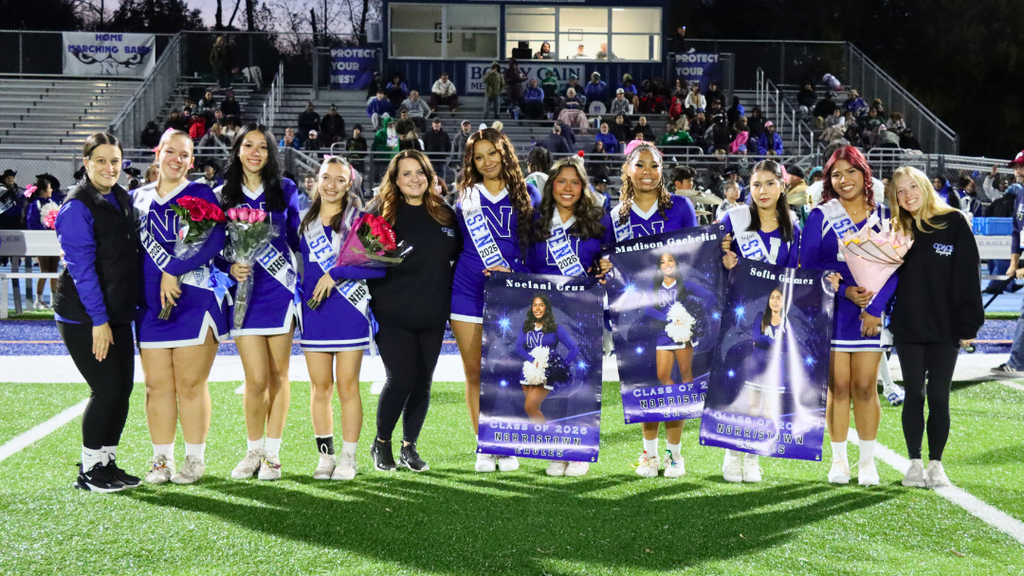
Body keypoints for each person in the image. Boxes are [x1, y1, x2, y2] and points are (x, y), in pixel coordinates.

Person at [132, 130, 228, 486]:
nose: (176, 159)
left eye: (184, 155)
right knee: (156, 386)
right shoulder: (135, 199)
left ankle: (194, 458)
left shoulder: (201, 193)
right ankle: (161, 459)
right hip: (151, 305)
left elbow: (216, 240)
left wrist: (173, 270)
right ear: (157, 154)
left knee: (190, 383)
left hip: (195, 298)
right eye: (170, 152)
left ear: (191, 160)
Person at [601, 141, 698, 478]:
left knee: (674, 385)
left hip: (676, 313)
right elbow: (607, 262)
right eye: (639, 165)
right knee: (646, 384)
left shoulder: (682, 208)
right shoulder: (616, 216)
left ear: (662, 171)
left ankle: (675, 455)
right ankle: (649, 455)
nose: (647, 172)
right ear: (628, 169)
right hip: (636, 314)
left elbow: (695, 255)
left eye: (654, 165)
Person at [801, 146, 895, 486]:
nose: (844, 180)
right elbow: (809, 269)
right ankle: (839, 461)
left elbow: (894, 268)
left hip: (869, 314)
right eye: (836, 174)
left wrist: (874, 309)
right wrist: (843, 292)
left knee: (866, 387)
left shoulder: (884, 215)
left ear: (863, 173)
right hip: (834, 311)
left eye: (851, 172)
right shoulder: (820, 216)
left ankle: (867, 463)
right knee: (839, 388)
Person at [451, 128, 541, 473]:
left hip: (512, 292)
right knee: (474, 373)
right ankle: (485, 444)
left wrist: (514, 269)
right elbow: (455, 244)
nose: (486, 161)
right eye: (478, 156)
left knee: (507, 372)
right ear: (471, 162)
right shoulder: (466, 196)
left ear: (504, 153)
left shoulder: (527, 193)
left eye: (492, 153)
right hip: (467, 293)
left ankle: (506, 439)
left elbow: (533, 249)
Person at [53, 133, 140, 492]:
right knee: (105, 388)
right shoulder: (77, 207)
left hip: (116, 312)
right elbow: (82, 270)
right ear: (86, 163)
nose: (109, 167)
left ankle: (106, 462)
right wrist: (99, 322)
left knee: (123, 389)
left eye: (115, 161)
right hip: (85, 315)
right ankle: (88, 470)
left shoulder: (121, 198)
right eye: (101, 160)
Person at [887, 166, 983, 488]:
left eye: (912, 186)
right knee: (914, 393)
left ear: (926, 186)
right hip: (909, 326)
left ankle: (936, 463)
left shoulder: (954, 222)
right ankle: (914, 462)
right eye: (900, 190)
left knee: (939, 396)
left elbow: (969, 275)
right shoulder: (896, 229)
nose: (907, 194)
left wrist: (969, 322)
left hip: (946, 328)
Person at [365, 150, 460, 472]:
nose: (414, 179)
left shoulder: (446, 215)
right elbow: (360, 260)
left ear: (429, 175)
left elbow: (462, 258)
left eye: (419, 172)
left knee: (422, 383)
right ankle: (381, 443)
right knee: (401, 378)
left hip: (433, 315)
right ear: (395, 179)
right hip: (392, 314)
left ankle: (409, 446)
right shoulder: (379, 212)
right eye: (405, 173)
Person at [219, 124, 302, 481]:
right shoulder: (223, 194)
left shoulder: (285, 189)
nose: (255, 152)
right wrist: (228, 264)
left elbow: (298, 237)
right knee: (255, 380)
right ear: (237, 150)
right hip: (243, 296)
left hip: (280, 291)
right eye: (248, 145)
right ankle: (253, 451)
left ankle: (273, 454)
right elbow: (210, 245)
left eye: (263, 147)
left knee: (279, 376)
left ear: (271, 153)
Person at [298, 155, 384, 480]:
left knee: (348, 386)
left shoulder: (359, 219)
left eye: (339, 180)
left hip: (349, 310)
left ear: (350, 184)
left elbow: (379, 265)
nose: (331, 186)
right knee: (320, 387)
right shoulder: (305, 223)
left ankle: (349, 457)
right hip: (315, 311)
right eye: (326, 178)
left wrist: (336, 273)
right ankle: (325, 456)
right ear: (316, 181)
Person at [523, 157, 608, 476]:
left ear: (583, 186)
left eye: (575, 182)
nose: (568, 188)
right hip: (545, 319)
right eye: (561, 181)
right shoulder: (536, 221)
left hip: (582, 313)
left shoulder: (597, 221)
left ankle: (580, 451)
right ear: (551, 185)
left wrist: (605, 270)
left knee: (580, 382)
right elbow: (527, 266)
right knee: (550, 382)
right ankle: (557, 449)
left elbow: (607, 260)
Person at [717, 160, 802, 483]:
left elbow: (797, 275)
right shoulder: (734, 218)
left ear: (782, 186)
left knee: (762, 389)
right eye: (756, 185)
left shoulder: (792, 225)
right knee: (737, 385)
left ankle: (751, 455)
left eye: (769, 183)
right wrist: (724, 258)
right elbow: (712, 260)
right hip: (738, 314)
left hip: (771, 319)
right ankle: (731, 452)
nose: (762, 191)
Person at [993, 152, 1024, 373]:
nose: (1017, 170)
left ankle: (1017, 362)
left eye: (1021, 166)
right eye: (1016, 166)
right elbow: (1017, 230)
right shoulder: (1021, 196)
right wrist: (1014, 262)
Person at [24, 176, 60, 308]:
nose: (51, 190)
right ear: (43, 191)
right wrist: (46, 227)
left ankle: (54, 299)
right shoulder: (36, 204)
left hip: (53, 240)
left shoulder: (52, 202)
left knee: (54, 269)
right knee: (44, 270)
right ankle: (38, 299)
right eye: (49, 188)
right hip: (42, 240)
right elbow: (31, 223)